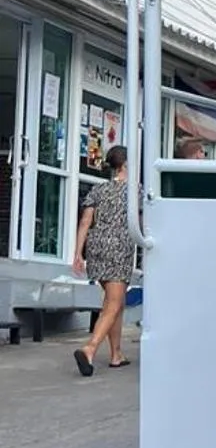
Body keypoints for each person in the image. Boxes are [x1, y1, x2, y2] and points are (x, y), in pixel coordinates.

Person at [71, 145, 135, 376]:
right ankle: (90, 348)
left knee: (113, 303)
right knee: (114, 305)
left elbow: (85, 222)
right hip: (119, 248)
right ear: (125, 164)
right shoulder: (134, 191)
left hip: (96, 247)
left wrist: (78, 253)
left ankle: (116, 354)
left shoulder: (98, 189)